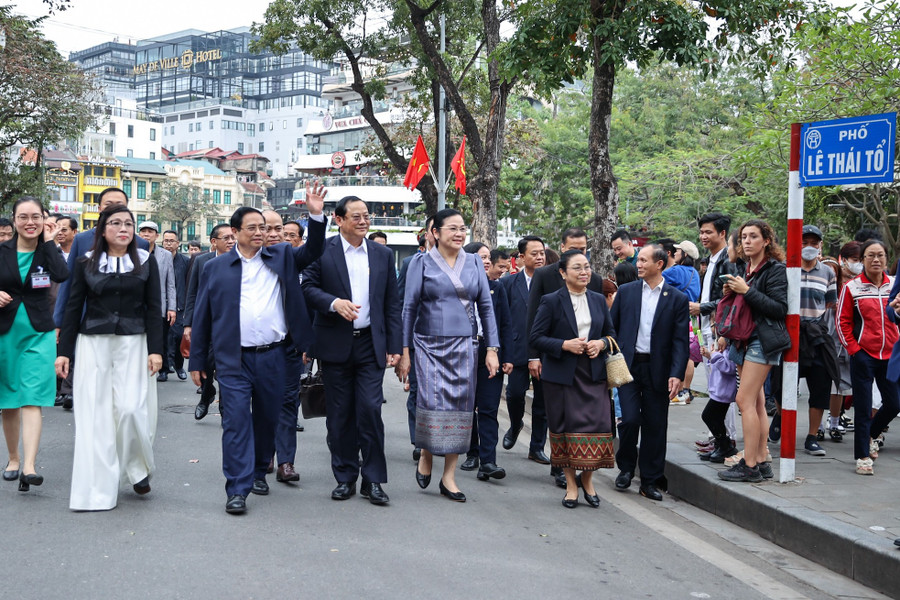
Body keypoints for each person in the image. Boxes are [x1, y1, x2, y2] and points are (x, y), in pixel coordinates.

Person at [189, 182, 326, 514]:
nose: (260, 233)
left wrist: (316, 215)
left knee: (267, 421)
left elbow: (312, 252)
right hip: (233, 360)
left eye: (263, 228)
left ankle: (259, 467)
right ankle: (237, 489)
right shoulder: (215, 268)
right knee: (235, 422)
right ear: (235, 232)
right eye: (252, 228)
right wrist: (196, 360)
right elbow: (203, 315)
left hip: (275, 356)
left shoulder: (280, 255)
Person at [56, 205, 163, 510]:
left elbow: (154, 308)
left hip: (135, 344)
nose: (123, 228)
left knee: (131, 410)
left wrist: (156, 350)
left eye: (128, 223)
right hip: (95, 345)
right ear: (102, 231)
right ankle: (97, 490)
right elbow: (73, 308)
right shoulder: (86, 262)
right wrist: (64, 353)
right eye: (115, 223)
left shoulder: (145, 261)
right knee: (97, 418)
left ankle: (137, 468)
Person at [302, 196, 402, 504]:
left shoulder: (383, 254)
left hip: (371, 344)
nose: (363, 221)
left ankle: (373, 479)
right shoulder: (323, 251)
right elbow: (307, 288)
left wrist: (395, 346)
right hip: (334, 344)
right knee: (340, 414)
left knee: (370, 410)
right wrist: (333, 303)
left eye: (366, 216)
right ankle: (344, 476)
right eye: (356, 216)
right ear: (339, 219)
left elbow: (391, 304)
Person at [396, 209, 500, 503]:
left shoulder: (474, 265)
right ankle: (427, 452)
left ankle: (449, 476)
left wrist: (492, 348)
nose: (459, 233)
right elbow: (409, 308)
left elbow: (486, 308)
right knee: (431, 403)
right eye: (452, 228)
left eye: (462, 228)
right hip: (428, 344)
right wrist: (405, 351)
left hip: (466, 345)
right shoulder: (421, 263)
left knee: (460, 407)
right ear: (436, 233)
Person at [531, 250, 617, 508]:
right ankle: (571, 485)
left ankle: (588, 480)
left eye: (587, 267)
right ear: (563, 273)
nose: (584, 272)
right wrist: (564, 345)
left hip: (593, 375)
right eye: (577, 268)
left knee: (600, 427)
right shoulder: (551, 300)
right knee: (565, 431)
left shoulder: (598, 300)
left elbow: (611, 334)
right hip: (561, 376)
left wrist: (600, 344)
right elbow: (535, 338)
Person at [610, 244, 690, 500]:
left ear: (660, 264)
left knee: (656, 425)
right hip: (629, 367)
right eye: (639, 260)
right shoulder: (626, 292)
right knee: (630, 419)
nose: (639, 264)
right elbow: (612, 327)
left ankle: (650, 480)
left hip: (659, 370)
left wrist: (677, 373)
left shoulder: (676, 298)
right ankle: (625, 468)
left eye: (644, 260)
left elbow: (680, 341)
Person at [0, 197, 67, 492]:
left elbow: (63, 276)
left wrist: (50, 242)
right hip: (5, 331)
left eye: (36, 217)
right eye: (23, 217)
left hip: (40, 331)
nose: (30, 222)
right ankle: (13, 458)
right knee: (9, 400)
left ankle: (29, 466)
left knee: (32, 397)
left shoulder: (47, 250)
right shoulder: (1, 251)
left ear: (44, 219)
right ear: (14, 221)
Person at [718, 219, 788, 483]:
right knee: (756, 403)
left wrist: (746, 291)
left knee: (743, 400)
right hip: (747, 339)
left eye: (753, 237)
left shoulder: (775, 270)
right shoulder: (748, 268)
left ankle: (749, 465)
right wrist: (735, 290)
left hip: (764, 340)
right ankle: (760, 460)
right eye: (743, 237)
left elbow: (779, 309)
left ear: (766, 241)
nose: (746, 241)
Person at [838, 239, 899, 475]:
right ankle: (863, 456)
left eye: (881, 255)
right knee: (863, 407)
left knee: (894, 403)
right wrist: (854, 350)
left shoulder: (895, 285)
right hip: (863, 355)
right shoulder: (852, 287)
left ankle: (872, 434)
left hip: (891, 354)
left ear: (887, 259)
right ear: (863, 259)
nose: (876, 260)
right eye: (871, 255)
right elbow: (842, 322)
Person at [53, 187, 149, 330]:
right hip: (89, 321)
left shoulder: (140, 244)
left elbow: (146, 291)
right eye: (108, 204)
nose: (115, 208)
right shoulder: (82, 240)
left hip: (130, 325)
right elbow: (69, 283)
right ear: (99, 208)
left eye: (120, 205)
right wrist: (59, 322)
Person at [459, 242, 514, 480]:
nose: (487, 262)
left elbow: (506, 324)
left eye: (488, 257)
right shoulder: (458, 288)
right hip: (463, 351)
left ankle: (488, 461)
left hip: (490, 351)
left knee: (489, 408)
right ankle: (472, 452)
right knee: (468, 406)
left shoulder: (496, 288)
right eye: (482, 258)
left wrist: (507, 356)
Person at [183, 224, 236, 420]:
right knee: (204, 362)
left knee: (223, 366)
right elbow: (192, 293)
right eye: (226, 238)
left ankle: (224, 407)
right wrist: (188, 324)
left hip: (228, 324)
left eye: (233, 237)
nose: (231, 241)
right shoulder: (201, 261)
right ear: (214, 242)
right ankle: (206, 394)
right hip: (205, 322)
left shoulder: (241, 259)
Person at [501, 236, 546, 455]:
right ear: (521, 257)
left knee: (542, 403)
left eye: (542, 253)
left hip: (546, 351)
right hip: (517, 348)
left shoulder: (553, 281)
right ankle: (515, 423)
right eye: (534, 253)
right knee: (515, 393)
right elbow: (503, 318)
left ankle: (537, 447)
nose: (539, 257)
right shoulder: (508, 283)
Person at [797, 225, 838, 456]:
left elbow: (830, 304)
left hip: (816, 333)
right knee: (782, 382)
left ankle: (812, 436)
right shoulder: (786, 269)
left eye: (814, 242)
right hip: (791, 334)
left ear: (820, 245)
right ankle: (779, 420)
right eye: (805, 242)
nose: (809, 247)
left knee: (821, 384)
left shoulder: (828, 273)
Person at [396, 218, 435, 461]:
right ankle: (419, 440)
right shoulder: (411, 263)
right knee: (418, 393)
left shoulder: (464, 264)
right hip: (417, 341)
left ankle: (438, 438)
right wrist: (402, 347)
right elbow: (401, 304)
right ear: (431, 234)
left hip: (449, 344)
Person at [138, 222, 176, 383]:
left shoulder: (165, 255)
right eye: (143, 231)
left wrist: (172, 307)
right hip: (137, 304)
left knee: (160, 337)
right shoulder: (133, 252)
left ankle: (162, 369)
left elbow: (170, 283)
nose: (146, 234)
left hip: (158, 303)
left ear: (157, 235)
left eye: (150, 231)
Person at [162, 230, 189, 380]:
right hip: (162, 306)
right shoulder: (158, 259)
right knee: (164, 339)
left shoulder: (185, 262)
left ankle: (179, 366)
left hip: (180, 307)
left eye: (172, 241)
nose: (168, 244)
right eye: (166, 241)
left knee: (179, 337)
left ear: (178, 244)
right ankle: (165, 369)